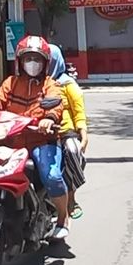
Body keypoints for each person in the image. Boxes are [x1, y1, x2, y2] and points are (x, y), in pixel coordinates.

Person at [0, 35, 71, 240]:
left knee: (51, 176)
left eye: (37, 59)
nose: (32, 63)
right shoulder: (11, 83)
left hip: (40, 141)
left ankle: (62, 218)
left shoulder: (50, 85)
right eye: (28, 58)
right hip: (11, 141)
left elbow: (56, 104)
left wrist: (48, 119)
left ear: (45, 62)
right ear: (20, 61)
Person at [48, 45, 88, 220]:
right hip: (40, 131)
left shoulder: (67, 83)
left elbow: (79, 110)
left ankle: (71, 198)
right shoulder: (35, 83)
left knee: (73, 151)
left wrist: (83, 133)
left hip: (66, 131)